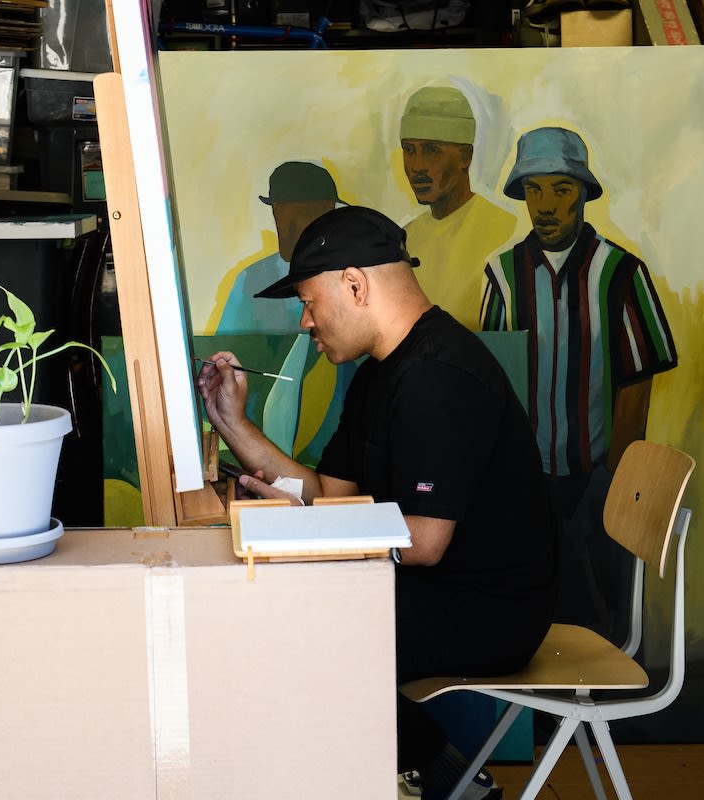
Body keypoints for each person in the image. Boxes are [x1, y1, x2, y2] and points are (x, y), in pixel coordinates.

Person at [197, 205, 557, 800]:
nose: (307, 324)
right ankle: (445, 775)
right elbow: (331, 494)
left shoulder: (438, 376)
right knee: (291, 615)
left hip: (491, 611)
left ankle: (444, 779)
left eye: (310, 303)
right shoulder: (380, 372)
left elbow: (423, 540)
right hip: (441, 589)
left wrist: (309, 530)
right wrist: (233, 423)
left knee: (300, 633)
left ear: (355, 284)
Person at [481, 126, 677, 641]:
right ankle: (545, 717)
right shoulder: (502, 275)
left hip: (597, 479)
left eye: (561, 190)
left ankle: (597, 710)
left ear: (584, 195)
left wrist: (611, 476)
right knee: (533, 602)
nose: (545, 205)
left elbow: (638, 382)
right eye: (534, 190)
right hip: (527, 478)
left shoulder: (619, 272)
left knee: (598, 608)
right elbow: (496, 378)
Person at [398, 85, 518, 328]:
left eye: (432, 150)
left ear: (466, 156)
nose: (417, 165)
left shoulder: (508, 231)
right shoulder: (404, 239)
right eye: (409, 150)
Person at [214, 161, 345, 334]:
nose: (321, 221)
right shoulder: (250, 280)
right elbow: (227, 348)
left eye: (327, 210)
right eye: (307, 211)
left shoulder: (350, 275)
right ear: (278, 212)